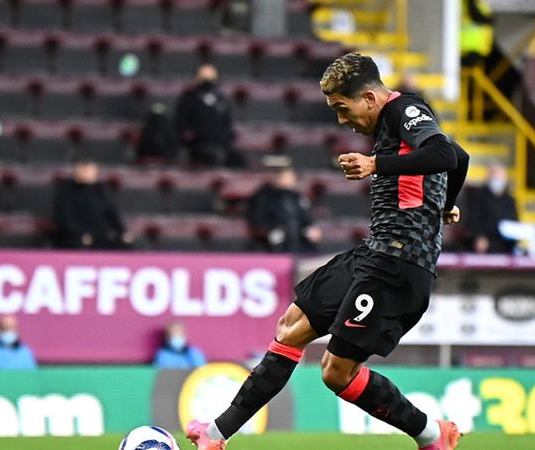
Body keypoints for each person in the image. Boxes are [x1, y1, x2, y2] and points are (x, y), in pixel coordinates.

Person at [186, 53, 470, 450]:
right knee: (292, 324)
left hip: (399, 263)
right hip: (375, 251)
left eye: (342, 108)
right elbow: (460, 158)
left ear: (370, 99)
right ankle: (215, 436)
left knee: (336, 372)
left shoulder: (404, 108)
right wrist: (443, 205)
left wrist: (376, 164)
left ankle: (431, 435)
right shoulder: (396, 120)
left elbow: (443, 154)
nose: (341, 121)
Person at [51, 158, 133, 250]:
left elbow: (111, 213)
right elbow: (65, 218)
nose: (87, 173)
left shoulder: (99, 188)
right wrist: (81, 234)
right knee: (78, 244)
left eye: (90, 170)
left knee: (124, 244)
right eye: (84, 170)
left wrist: (122, 232)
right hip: (74, 235)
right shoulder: (66, 189)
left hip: (98, 234)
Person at [175, 64, 242, 167]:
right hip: (198, 144)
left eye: (210, 79)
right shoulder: (189, 98)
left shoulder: (221, 99)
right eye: (205, 79)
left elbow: (228, 124)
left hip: (219, 143)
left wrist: (226, 138)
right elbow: (181, 123)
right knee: (210, 157)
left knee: (239, 161)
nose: (208, 83)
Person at [246, 166, 322, 253]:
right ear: (277, 178)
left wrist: (311, 229)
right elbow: (257, 219)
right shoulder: (264, 196)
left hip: (300, 241)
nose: (290, 180)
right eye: (286, 177)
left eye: (292, 177)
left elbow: (306, 219)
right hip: (271, 242)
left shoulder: (297, 197)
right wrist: (270, 230)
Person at [465, 163, 518, 254]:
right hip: (485, 243)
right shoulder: (479, 196)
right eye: (495, 176)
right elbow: (474, 219)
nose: (497, 180)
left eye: (500, 176)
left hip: (506, 244)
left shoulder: (510, 199)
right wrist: (479, 236)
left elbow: (515, 221)